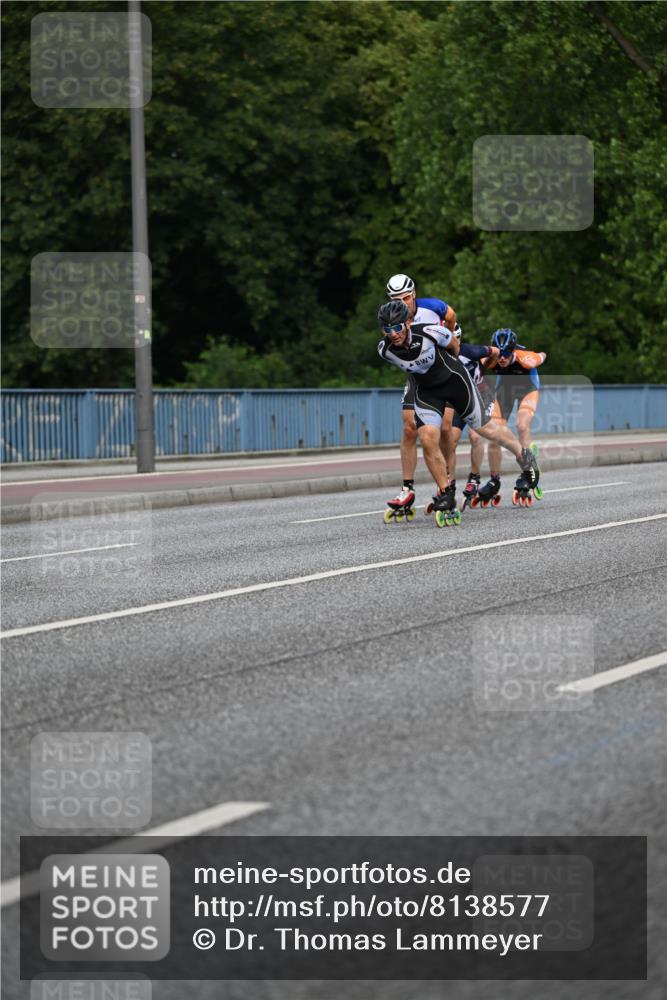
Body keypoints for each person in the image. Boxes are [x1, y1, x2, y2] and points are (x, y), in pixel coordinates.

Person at [377, 301, 540, 524]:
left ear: (407, 323)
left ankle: (524, 457)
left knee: (486, 429)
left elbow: (455, 346)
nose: (393, 334)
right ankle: (446, 493)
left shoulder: (428, 331)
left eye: (397, 327)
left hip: (455, 381)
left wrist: (452, 366)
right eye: (387, 329)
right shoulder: (385, 350)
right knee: (427, 438)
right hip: (427, 392)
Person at [384, 273, 457, 513]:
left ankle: (447, 483)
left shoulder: (432, 307)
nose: (402, 303)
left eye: (406, 297)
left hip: (443, 371)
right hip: (418, 374)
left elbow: (452, 317)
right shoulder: (391, 316)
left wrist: (447, 343)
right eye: (396, 299)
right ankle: (407, 489)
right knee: (409, 427)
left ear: (414, 294)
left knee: (444, 427)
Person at [481, 328, 547, 504]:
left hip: (528, 388)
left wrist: (537, 357)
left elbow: (543, 355)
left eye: (506, 354)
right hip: (505, 390)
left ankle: (527, 471)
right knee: (494, 433)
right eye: (499, 354)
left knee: (522, 426)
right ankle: (494, 480)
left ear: (513, 351)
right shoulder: (490, 358)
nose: (502, 358)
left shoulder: (525, 358)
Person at [440, 329, 501, 508]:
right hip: (460, 400)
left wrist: (486, 365)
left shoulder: (469, 351)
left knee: (475, 436)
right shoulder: (440, 357)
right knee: (451, 439)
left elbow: (495, 352)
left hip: (482, 395)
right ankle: (448, 484)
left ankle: (474, 477)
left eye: (455, 338)